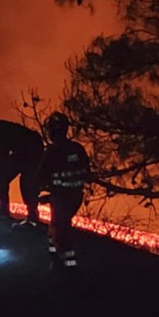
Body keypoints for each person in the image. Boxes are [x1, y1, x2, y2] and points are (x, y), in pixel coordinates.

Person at [37, 112, 91, 268]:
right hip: (75, 198)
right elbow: (85, 173)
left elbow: (40, 177)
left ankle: (68, 266)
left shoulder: (52, 152)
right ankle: (55, 259)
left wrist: (46, 190)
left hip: (61, 198)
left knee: (60, 232)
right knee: (55, 226)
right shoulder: (78, 149)